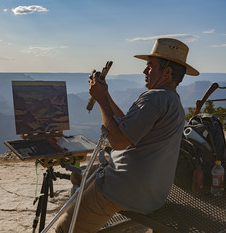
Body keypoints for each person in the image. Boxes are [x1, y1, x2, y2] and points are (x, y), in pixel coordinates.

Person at [55, 38, 199, 233]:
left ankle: (82, 219)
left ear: (167, 72)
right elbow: (127, 126)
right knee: (78, 176)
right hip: (151, 193)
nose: (144, 71)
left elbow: (118, 141)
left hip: (123, 188)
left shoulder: (153, 98)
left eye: (150, 66)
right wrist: (105, 95)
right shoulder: (172, 101)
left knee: (64, 229)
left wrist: (101, 100)